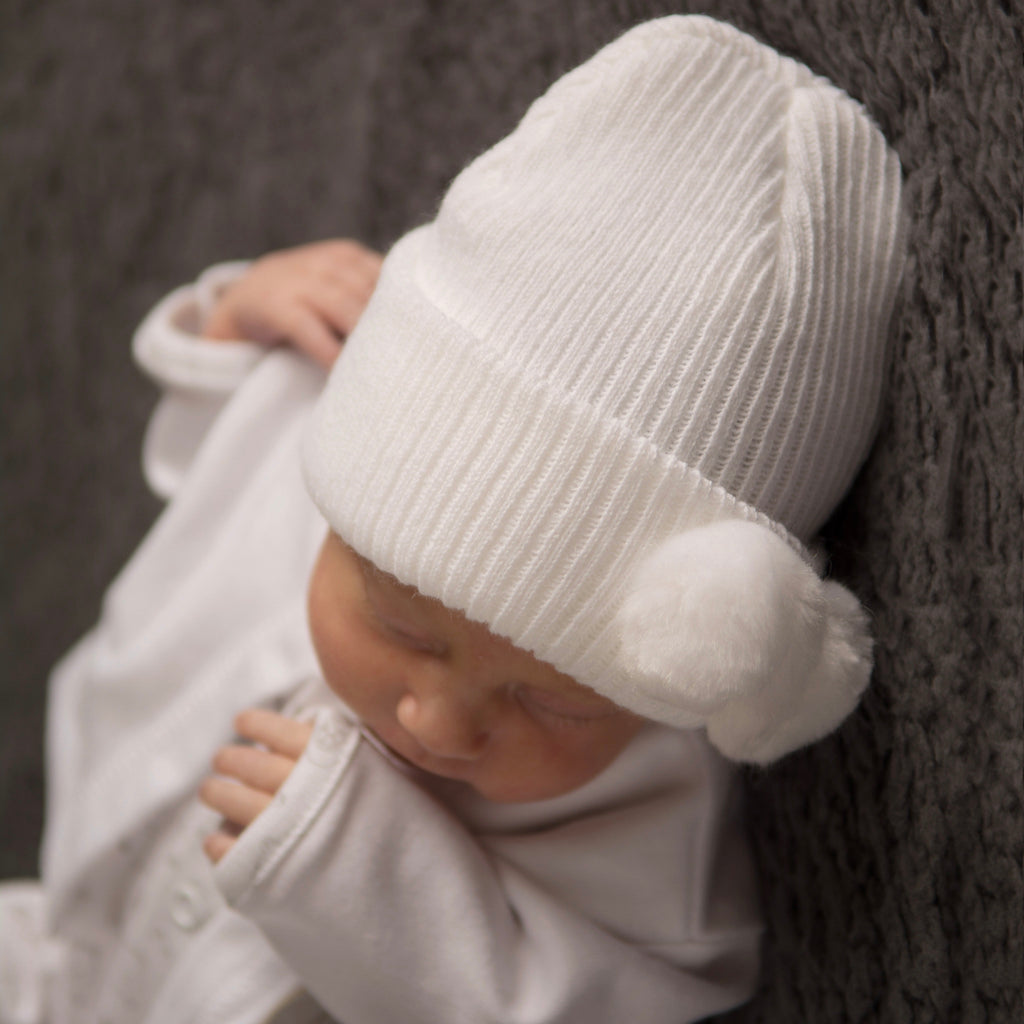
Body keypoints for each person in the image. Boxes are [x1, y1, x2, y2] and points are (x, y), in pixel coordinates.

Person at [0, 14, 906, 1024]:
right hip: (50, 932)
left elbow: (623, 996)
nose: (439, 721)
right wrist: (231, 320)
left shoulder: (652, 806)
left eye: (552, 704)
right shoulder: (325, 430)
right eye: (397, 624)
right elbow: (214, 447)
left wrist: (363, 878)